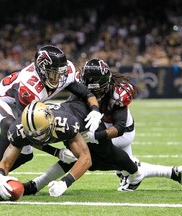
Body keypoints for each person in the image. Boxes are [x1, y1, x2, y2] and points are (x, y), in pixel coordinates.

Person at [22, 58, 182, 195]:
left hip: (121, 133)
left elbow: (119, 128)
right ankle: (173, 173)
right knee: (125, 167)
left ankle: (36, 185)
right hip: (99, 124)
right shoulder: (83, 85)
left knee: (86, 156)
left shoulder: (117, 93)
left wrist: (95, 136)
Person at [0, 45, 102, 190]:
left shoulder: (65, 71)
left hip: (27, 105)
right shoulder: (29, 87)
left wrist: (95, 110)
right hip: (1, 100)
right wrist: (57, 152)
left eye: (60, 73)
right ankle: (0, 178)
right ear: (41, 70)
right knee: (9, 126)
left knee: (26, 155)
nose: (58, 78)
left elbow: (86, 93)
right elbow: (26, 129)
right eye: (53, 73)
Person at [0, 100, 143, 200]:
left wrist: (65, 182)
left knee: (101, 159)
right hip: (60, 126)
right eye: (33, 135)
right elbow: (5, 162)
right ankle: (36, 185)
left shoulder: (66, 124)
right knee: (71, 158)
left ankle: (135, 170)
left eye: (41, 133)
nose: (38, 138)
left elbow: (86, 158)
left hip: (82, 121)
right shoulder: (19, 129)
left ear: (51, 123)